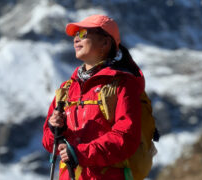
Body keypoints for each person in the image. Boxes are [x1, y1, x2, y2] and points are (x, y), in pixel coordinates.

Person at [42, 14, 145, 180]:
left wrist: (80, 153)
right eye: (76, 35)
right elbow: (48, 141)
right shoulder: (67, 88)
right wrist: (56, 129)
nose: (76, 39)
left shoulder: (123, 84)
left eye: (82, 34)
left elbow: (126, 138)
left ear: (105, 42)